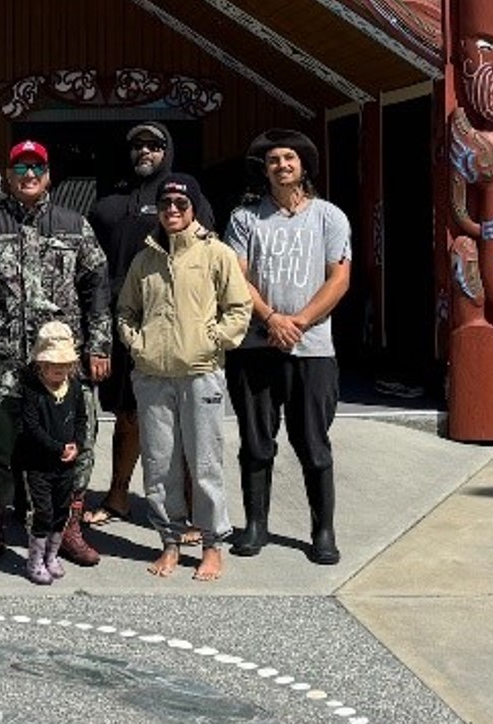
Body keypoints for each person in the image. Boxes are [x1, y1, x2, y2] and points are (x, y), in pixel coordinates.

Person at [0, 139, 112, 570]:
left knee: (75, 447)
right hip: (0, 365)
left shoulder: (74, 225)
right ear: (8, 174)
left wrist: (98, 345)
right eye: (20, 168)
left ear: (48, 174)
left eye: (35, 168)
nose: (28, 176)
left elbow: (97, 285)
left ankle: (69, 531)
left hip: (61, 367)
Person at [117, 172, 252, 582]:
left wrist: (214, 340)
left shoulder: (216, 254)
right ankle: (170, 542)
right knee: (160, 465)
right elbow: (126, 311)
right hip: (153, 376)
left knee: (204, 462)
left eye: (180, 204)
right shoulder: (145, 259)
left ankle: (212, 545)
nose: (172, 211)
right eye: (165, 205)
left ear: (193, 207)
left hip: (201, 374)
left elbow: (239, 308)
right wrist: (137, 344)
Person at [225, 130, 353, 564]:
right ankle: (255, 525)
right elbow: (236, 277)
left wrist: (298, 321)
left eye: (289, 158)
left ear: (303, 166)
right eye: (274, 160)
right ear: (265, 169)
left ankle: (323, 529)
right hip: (254, 347)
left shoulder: (329, 217)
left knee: (313, 442)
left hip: (312, 348)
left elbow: (339, 277)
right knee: (256, 442)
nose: (281, 165)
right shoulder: (245, 218)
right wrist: (271, 318)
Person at [84, 121, 215, 530]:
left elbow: (210, 263)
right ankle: (118, 495)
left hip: (178, 331)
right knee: (128, 416)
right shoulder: (106, 205)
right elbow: (90, 272)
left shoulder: (186, 201)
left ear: (168, 151)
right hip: (125, 330)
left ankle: (192, 510)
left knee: (183, 421)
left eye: (155, 146)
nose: (146, 152)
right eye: (138, 146)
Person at [14, 321, 97, 586]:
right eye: (54, 367)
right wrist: (57, 447)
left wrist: (77, 444)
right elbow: (32, 427)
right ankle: (35, 560)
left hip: (66, 463)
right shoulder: (32, 391)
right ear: (41, 365)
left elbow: (82, 419)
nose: (60, 372)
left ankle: (52, 555)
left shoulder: (73, 388)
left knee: (62, 511)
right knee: (43, 512)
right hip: (39, 463)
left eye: (65, 367)